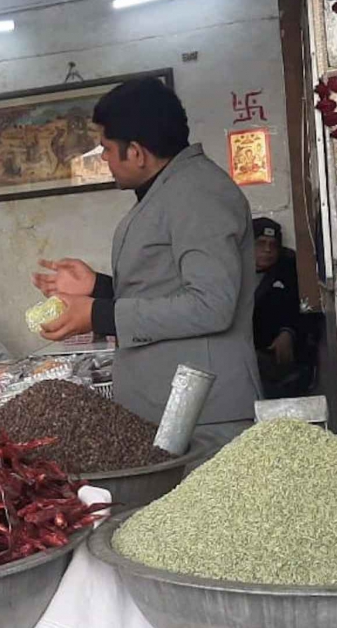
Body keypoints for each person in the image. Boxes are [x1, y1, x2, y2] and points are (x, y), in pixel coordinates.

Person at [32, 78, 259, 455]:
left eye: (106, 149)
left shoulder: (198, 193)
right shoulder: (170, 188)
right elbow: (166, 288)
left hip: (203, 413)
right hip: (175, 409)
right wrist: (98, 288)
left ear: (136, 152)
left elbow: (211, 305)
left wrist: (99, 314)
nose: (103, 159)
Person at [251, 217, 309, 397]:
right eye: (261, 243)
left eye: (273, 245)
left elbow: (305, 309)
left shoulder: (290, 271)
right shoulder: (233, 273)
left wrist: (288, 332)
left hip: (277, 359)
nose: (267, 249)